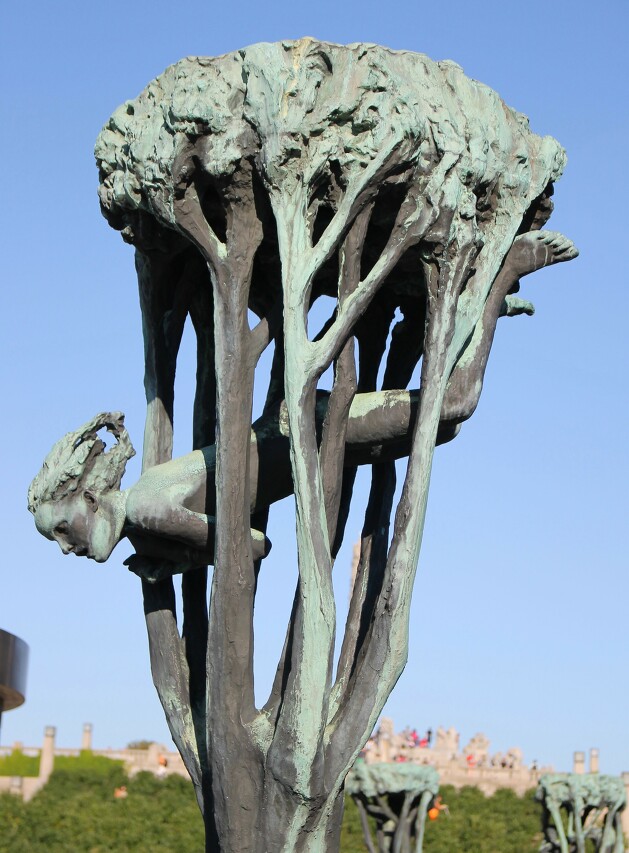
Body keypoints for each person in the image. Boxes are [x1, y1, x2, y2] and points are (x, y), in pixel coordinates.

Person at [28, 390, 424, 581]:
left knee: (451, 405)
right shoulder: (143, 533)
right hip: (312, 448)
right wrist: (179, 560)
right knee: (442, 427)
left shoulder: (145, 510)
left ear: (91, 498)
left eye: (63, 528)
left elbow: (253, 545)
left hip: (304, 430)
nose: (66, 547)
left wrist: (183, 560)